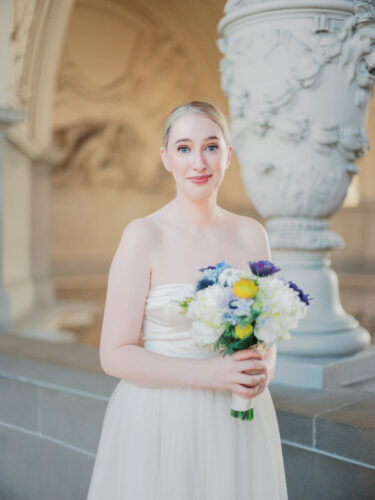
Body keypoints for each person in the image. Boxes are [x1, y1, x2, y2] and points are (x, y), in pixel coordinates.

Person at [86, 101, 288, 499]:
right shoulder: (143, 235)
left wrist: (262, 370)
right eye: (184, 148)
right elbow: (114, 354)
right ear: (166, 158)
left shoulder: (252, 235)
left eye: (211, 147)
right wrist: (212, 374)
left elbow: (267, 332)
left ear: (228, 156)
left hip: (237, 422)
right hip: (159, 421)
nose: (199, 161)